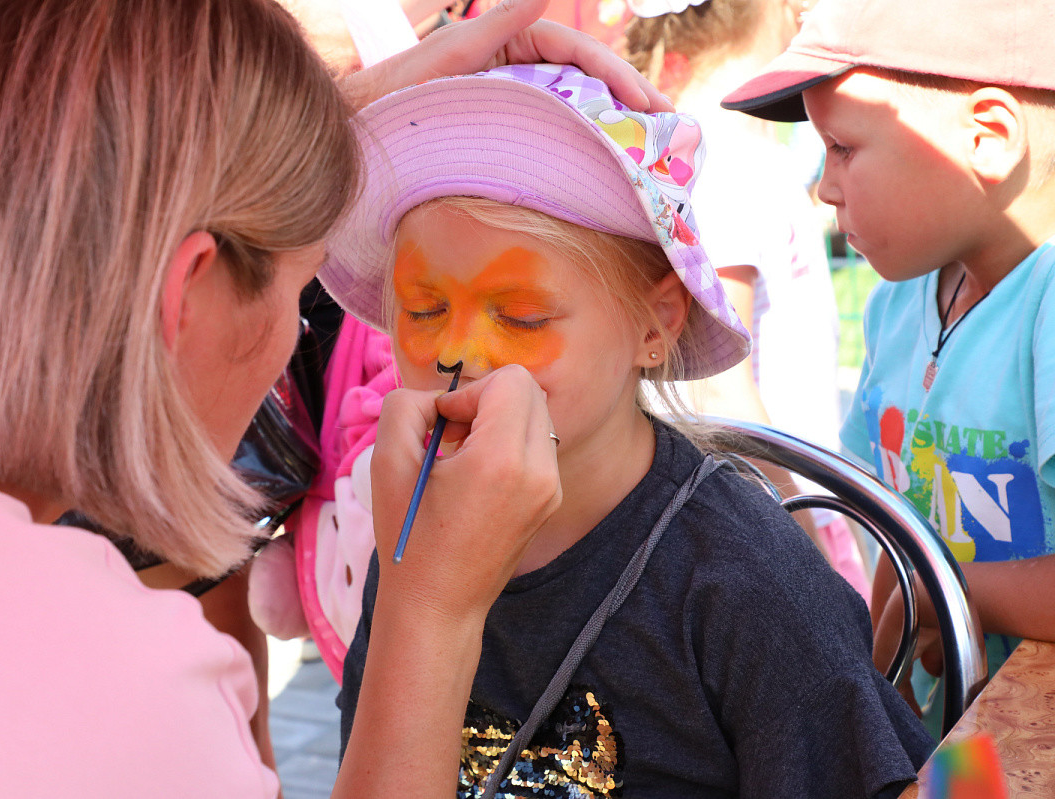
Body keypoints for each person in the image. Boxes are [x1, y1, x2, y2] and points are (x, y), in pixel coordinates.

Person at [0, 0, 669, 795]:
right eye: (305, 284)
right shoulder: (123, 700)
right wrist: (430, 616)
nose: (456, 352)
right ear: (188, 294)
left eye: (522, 315)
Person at [322, 62, 933, 796]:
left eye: (521, 316)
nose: (457, 351)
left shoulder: (742, 580)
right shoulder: (413, 536)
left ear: (656, 322)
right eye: (422, 310)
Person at [721, 0, 1055, 733]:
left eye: (842, 148)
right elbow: (899, 514)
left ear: (990, 138)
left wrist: (944, 593)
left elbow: (924, 586)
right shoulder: (898, 304)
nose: (824, 187)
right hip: (959, 738)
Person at [625, 0, 871, 602]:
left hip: (766, 506)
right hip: (775, 512)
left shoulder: (710, 144)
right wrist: (804, 545)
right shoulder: (726, 156)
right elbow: (715, 387)